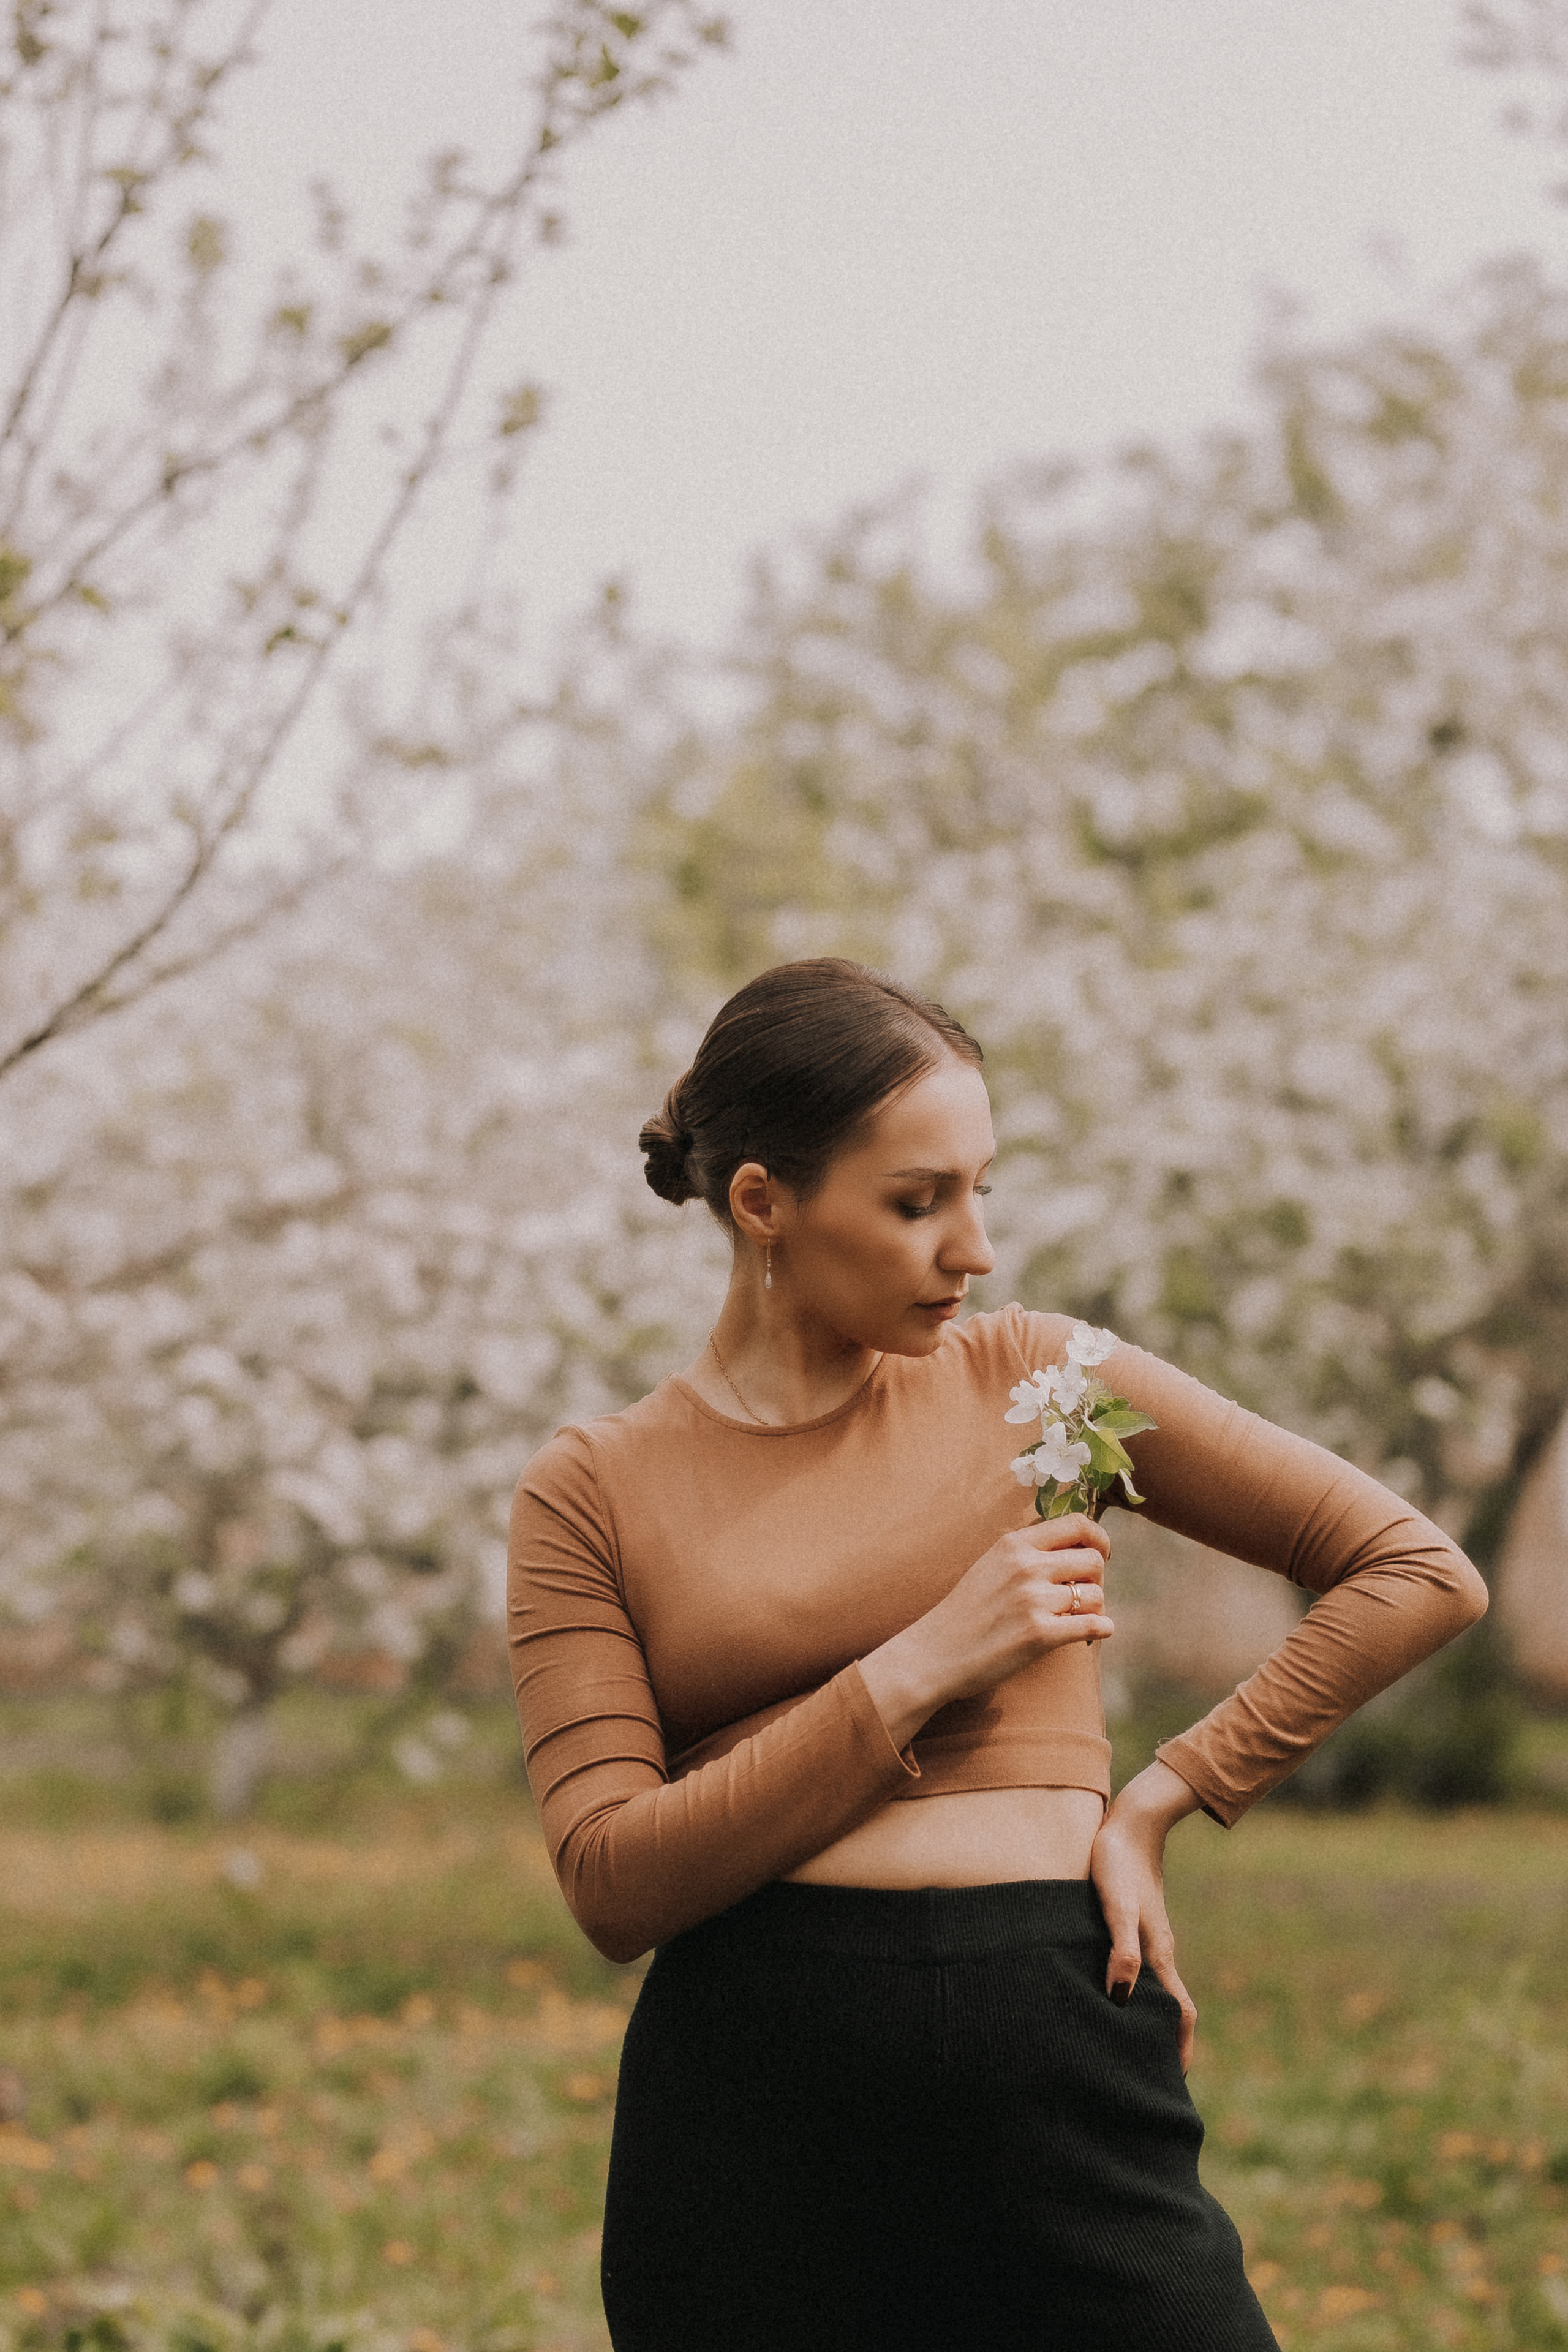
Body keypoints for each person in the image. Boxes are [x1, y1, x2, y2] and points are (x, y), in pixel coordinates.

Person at [507, 957, 1486, 2352]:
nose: (973, 1248)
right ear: (764, 1202)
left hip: (1056, 2044)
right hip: (756, 2094)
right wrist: (917, 1667)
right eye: (917, 1203)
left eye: (980, 1189)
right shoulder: (592, 1488)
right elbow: (611, 1883)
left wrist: (1162, 1798)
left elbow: (1413, 1573)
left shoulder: (1045, 1385)